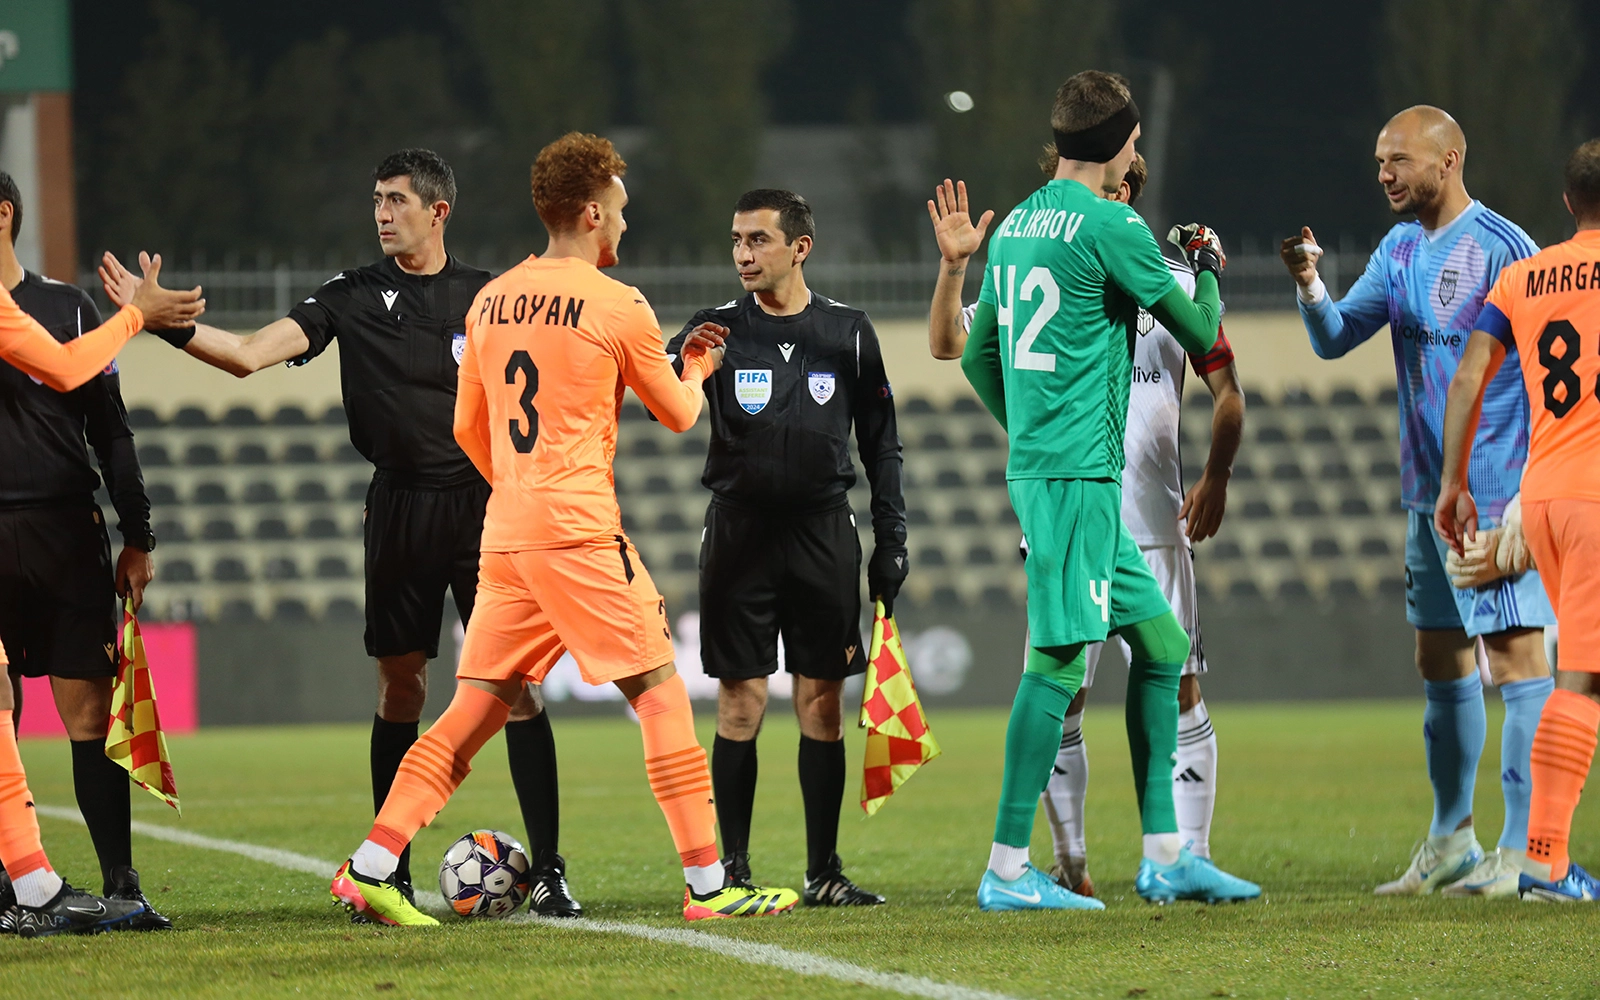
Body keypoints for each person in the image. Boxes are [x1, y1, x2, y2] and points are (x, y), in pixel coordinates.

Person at [328, 132, 799, 926]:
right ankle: (710, 886)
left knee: (476, 706)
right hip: (578, 530)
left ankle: (372, 866)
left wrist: (519, 490)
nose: (624, 221)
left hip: (505, 532)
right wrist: (696, 366)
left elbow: (467, 428)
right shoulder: (618, 303)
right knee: (659, 693)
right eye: (619, 208)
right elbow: (679, 414)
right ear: (590, 213)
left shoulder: (491, 299)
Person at [101, 150, 577, 916]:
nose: (382, 212)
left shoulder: (491, 296)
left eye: (396, 200)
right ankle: (388, 875)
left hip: (487, 509)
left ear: (438, 211)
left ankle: (550, 871)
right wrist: (158, 323)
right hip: (398, 508)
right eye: (377, 199)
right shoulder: (351, 295)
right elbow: (249, 355)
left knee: (517, 687)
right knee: (402, 685)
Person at [961, 69, 1259, 910]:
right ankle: (1007, 869)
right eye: (1133, 139)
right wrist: (1207, 269)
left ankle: (1165, 855)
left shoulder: (1019, 225)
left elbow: (979, 357)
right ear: (1121, 142)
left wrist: (1029, 432)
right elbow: (1200, 329)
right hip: (1078, 479)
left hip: (1069, 473)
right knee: (1057, 667)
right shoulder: (1111, 223)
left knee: (1161, 646)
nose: (1137, 151)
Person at [1281, 106, 1553, 897]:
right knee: (1440, 658)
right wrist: (1309, 285)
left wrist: (1531, 495)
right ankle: (1452, 840)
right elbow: (1336, 337)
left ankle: (1525, 851)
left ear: (1448, 160)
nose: (1384, 173)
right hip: (1426, 493)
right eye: (1379, 161)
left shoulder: (1505, 248)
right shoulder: (1399, 249)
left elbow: (1550, 377)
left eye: (1398, 159)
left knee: (1515, 657)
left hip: (1493, 494)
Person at [666, 189, 905, 906]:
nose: (743, 254)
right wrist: (684, 361)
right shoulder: (713, 329)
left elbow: (882, 446)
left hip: (822, 533)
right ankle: (731, 871)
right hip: (738, 534)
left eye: (758, 240)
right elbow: (664, 398)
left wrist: (891, 539)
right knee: (739, 702)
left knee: (822, 704)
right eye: (737, 240)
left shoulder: (848, 332)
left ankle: (823, 871)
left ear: (801, 247)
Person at [0, 251, 202, 936]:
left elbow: (111, 428)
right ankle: (13, 883)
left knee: (88, 710)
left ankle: (122, 883)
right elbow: (62, 369)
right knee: (0, 712)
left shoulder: (68, 307)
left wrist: (137, 533)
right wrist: (137, 314)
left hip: (65, 531)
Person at [1437, 137, 1600, 903]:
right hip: (1595, 496)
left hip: (1544, 495)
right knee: (1581, 678)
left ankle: (1544, 858)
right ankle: (1545, 861)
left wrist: (1453, 483)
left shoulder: (1523, 276)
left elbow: (1469, 376)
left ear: (1568, 203)